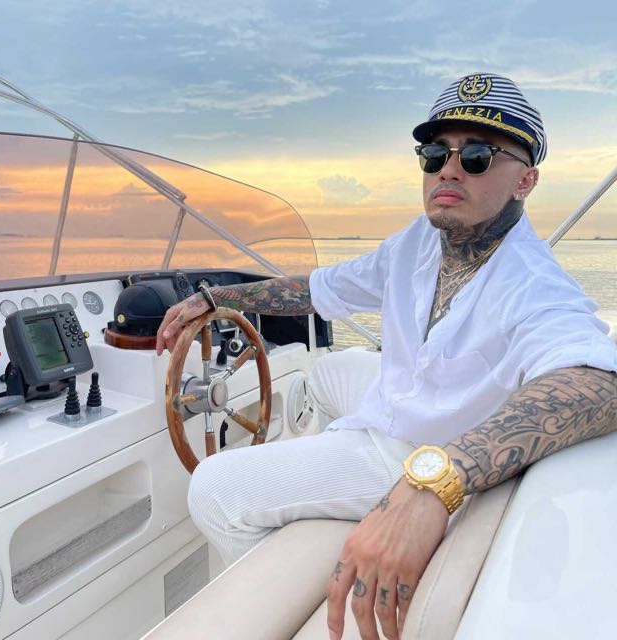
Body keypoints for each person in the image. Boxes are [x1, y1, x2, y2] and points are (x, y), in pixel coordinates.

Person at [156, 72, 617, 640]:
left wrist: (435, 482)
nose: (448, 170)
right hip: (404, 405)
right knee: (327, 371)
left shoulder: (534, 285)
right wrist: (219, 298)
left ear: (526, 180)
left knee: (213, 487)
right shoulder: (420, 241)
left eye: (477, 156)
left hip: (416, 449)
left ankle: (285, 577)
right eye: (434, 154)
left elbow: (598, 383)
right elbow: (319, 289)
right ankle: (323, 493)